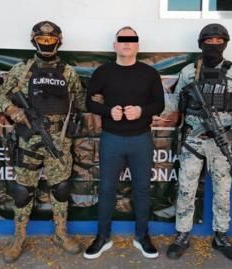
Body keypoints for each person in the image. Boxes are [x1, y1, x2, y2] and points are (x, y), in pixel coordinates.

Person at [166, 23, 232, 262]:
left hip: (222, 142)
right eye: (210, 42)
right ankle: (182, 235)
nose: (214, 46)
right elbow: (174, 103)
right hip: (193, 141)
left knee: (223, 192)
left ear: (225, 44)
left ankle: (221, 236)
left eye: (219, 42)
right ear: (201, 44)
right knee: (186, 189)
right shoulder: (188, 72)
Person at [0, 21, 86, 263]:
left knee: (61, 189)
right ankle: (18, 239)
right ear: (34, 40)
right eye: (42, 40)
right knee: (23, 192)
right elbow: (1, 97)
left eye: (51, 40)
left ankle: (60, 235)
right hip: (27, 140)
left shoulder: (68, 72)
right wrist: (14, 112)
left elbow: (79, 103)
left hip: (58, 142)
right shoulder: (21, 70)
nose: (46, 44)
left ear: (59, 41)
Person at [83, 26, 165, 259]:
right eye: (122, 40)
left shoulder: (149, 73)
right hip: (112, 139)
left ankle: (142, 236)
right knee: (107, 189)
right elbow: (89, 102)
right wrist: (108, 111)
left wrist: (140, 110)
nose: (127, 44)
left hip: (141, 139)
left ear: (137, 45)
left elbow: (159, 104)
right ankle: (102, 237)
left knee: (142, 189)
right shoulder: (103, 72)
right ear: (115, 45)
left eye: (131, 40)